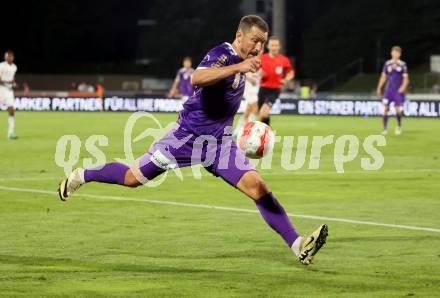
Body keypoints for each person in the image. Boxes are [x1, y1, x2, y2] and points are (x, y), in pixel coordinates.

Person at [58, 15, 328, 266]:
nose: (259, 47)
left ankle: (298, 246)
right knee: (133, 178)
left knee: (258, 188)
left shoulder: (244, 62)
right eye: (255, 40)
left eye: (263, 42)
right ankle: (82, 175)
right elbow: (199, 77)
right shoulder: (222, 54)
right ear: (240, 36)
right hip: (185, 139)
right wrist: (240, 66)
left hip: (219, 144)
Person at [258, 36, 295, 126]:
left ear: (279, 47)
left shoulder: (283, 60)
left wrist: (286, 79)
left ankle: (266, 133)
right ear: (268, 46)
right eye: (272, 45)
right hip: (262, 89)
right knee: (262, 114)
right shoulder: (262, 58)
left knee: (265, 110)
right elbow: (254, 71)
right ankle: (265, 134)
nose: (274, 47)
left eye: (276, 45)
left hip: (274, 90)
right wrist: (258, 73)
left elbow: (291, 72)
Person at [376, 46, 409, 135]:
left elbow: (406, 78)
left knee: (397, 109)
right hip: (388, 90)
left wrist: (403, 87)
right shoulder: (387, 64)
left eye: (397, 53)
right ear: (391, 53)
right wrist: (379, 87)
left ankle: (398, 126)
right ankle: (385, 128)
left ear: (399, 54)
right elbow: (383, 77)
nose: (395, 54)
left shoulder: (402, 64)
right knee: (386, 108)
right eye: (394, 52)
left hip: (397, 91)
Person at [233, 70, 260, 137]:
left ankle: (237, 132)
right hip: (249, 86)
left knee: (248, 110)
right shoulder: (246, 60)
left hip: (256, 86)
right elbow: (239, 71)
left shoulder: (261, 61)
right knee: (255, 108)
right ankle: (250, 131)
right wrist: (249, 78)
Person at [0, 50, 18, 139]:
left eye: (11, 56)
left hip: (9, 90)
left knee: (11, 109)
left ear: (13, 57)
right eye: (7, 56)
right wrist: (8, 82)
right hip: (1, 89)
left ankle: (10, 132)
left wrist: (14, 83)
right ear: (5, 57)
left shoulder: (14, 67)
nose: (9, 58)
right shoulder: (1, 66)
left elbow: (12, 78)